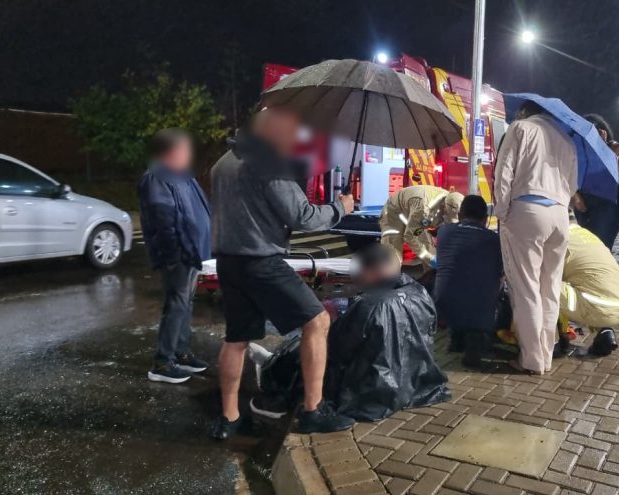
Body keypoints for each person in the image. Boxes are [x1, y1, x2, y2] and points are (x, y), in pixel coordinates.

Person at [209, 108, 356, 440]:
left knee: (236, 340)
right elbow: (301, 215)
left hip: (228, 262)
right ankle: (313, 411)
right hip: (262, 262)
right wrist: (340, 208)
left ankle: (229, 418)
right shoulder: (268, 163)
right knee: (318, 321)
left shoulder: (222, 163)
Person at [252, 243, 450, 422]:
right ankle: (272, 362)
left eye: (359, 272)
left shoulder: (369, 305)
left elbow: (336, 348)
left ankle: (271, 370)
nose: (356, 278)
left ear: (371, 271)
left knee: (309, 347)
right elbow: (429, 332)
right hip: (415, 380)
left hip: (371, 390)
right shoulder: (420, 292)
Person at [494, 100, 578, 375]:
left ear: (524, 112)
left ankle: (531, 360)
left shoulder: (520, 128)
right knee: (549, 288)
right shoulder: (566, 140)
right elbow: (573, 183)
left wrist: (502, 212)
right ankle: (546, 355)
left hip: (527, 211)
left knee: (526, 288)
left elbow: (503, 173)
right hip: (559, 215)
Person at [137, 128, 211, 384]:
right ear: (169, 152)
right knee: (176, 303)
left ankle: (181, 353)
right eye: (183, 150)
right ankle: (163, 362)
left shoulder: (182, 177)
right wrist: (172, 254)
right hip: (178, 253)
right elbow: (163, 218)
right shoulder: (157, 178)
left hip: (191, 251)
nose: (188, 154)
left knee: (185, 302)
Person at [434, 194, 503, 368]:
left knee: (456, 283)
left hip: (443, 306)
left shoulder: (443, 232)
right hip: (479, 311)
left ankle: (456, 340)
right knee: (494, 291)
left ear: (460, 214)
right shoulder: (494, 240)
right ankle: (476, 345)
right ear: (485, 218)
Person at [557, 224, 619, 357]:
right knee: (589, 290)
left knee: (541, 286)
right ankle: (605, 332)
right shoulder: (582, 233)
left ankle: (555, 342)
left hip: (599, 308)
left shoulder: (557, 238)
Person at [572, 114, 619, 250]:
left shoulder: (616, 148)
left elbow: (608, 172)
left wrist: (600, 146)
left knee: (602, 247)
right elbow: (572, 175)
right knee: (588, 247)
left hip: (609, 206)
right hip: (585, 205)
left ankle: (604, 270)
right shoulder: (580, 151)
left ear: (603, 131)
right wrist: (576, 196)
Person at [378, 185, 464, 267]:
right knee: (392, 256)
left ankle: (430, 277)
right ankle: (388, 278)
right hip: (394, 213)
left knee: (429, 249)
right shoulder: (423, 209)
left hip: (415, 216)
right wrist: (429, 259)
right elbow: (410, 236)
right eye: (447, 214)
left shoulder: (452, 199)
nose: (446, 217)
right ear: (444, 206)